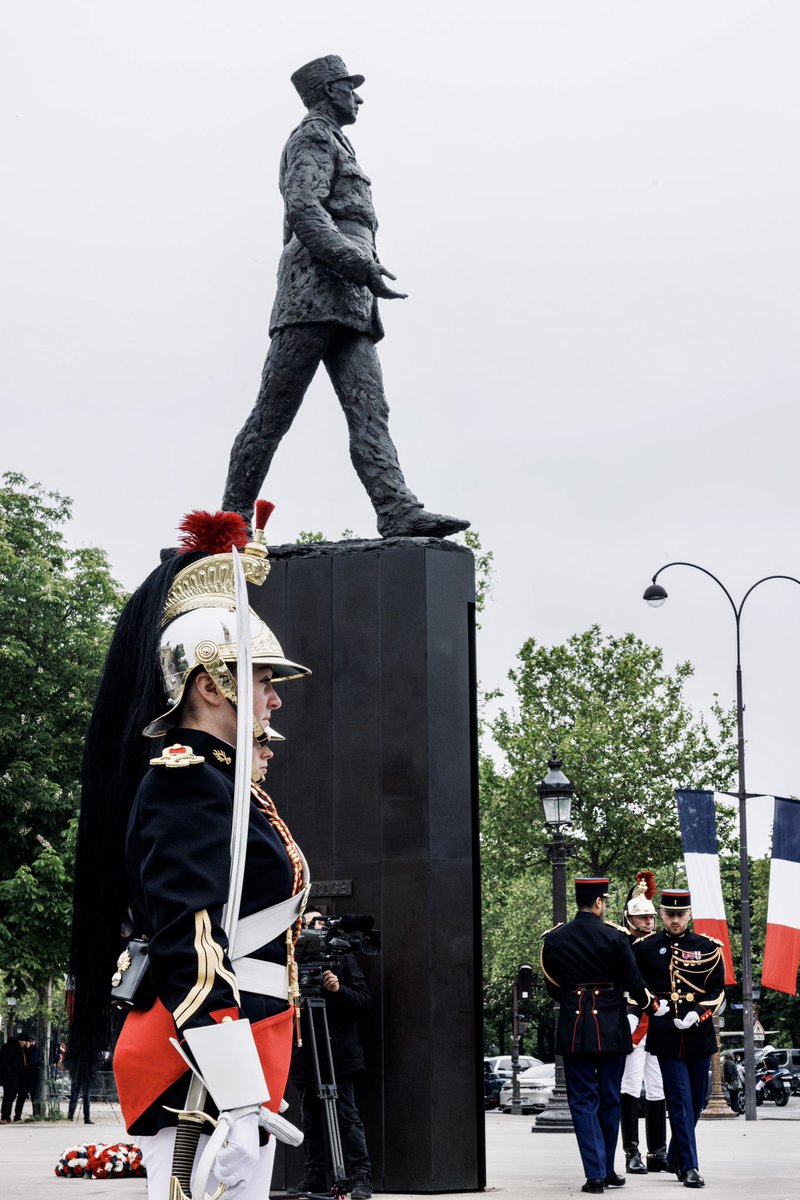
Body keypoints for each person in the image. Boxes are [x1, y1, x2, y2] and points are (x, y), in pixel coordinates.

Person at [68, 505, 312, 1198]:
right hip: (200, 1064)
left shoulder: (225, 786)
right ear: (211, 685)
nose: (274, 700)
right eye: (261, 680)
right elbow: (191, 944)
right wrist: (236, 1096)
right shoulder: (186, 783)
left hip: (233, 1052)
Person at [221, 55, 469, 541]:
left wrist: (361, 272)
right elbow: (304, 208)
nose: (359, 97)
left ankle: (396, 509)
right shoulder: (311, 136)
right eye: (351, 88)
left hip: (350, 295)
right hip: (312, 293)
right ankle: (231, 522)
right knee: (273, 413)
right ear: (331, 91)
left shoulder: (336, 141)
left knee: (370, 408)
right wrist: (357, 264)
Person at [540, 877, 656, 1195]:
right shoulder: (614, 936)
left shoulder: (554, 939)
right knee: (609, 1098)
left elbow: (553, 985)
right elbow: (633, 981)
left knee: (582, 1101)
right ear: (600, 903)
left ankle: (595, 1173)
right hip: (610, 1027)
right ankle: (607, 1169)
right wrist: (650, 1004)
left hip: (575, 1027)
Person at [633, 889, 726, 1189]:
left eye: (680, 914)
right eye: (669, 914)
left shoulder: (708, 947)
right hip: (666, 1035)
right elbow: (636, 985)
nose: (675, 920)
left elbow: (718, 990)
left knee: (697, 1100)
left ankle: (675, 1154)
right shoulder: (645, 948)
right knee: (680, 1100)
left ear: (689, 915)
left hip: (698, 1033)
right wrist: (651, 1007)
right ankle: (690, 1167)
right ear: (661, 914)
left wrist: (698, 1012)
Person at [290, 911, 373, 1199]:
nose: (316, 926)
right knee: (310, 1119)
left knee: (347, 1117)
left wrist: (337, 990)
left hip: (338, 1054)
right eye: (310, 922)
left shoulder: (341, 958)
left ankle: (361, 1176)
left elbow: (363, 1000)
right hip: (305, 1054)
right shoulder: (292, 959)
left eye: (320, 921)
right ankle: (315, 1177)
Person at [619, 872, 668, 1173]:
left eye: (651, 918)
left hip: (658, 1019)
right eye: (642, 919)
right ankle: (631, 1152)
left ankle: (658, 1152)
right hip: (633, 1018)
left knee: (657, 1086)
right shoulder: (622, 944)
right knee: (630, 1083)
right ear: (630, 920)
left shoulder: (661, 945)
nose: (648, 923)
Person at [0, 1033, 24, 1124]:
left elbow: (3, 1061)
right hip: (14, 1077)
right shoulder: (17, 1049)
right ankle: (6, 1116)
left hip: (7, 1077)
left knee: (7, 1097)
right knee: (10, 1097)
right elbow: (18, 1064)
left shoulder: (5, 1047)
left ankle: (5, 1116)